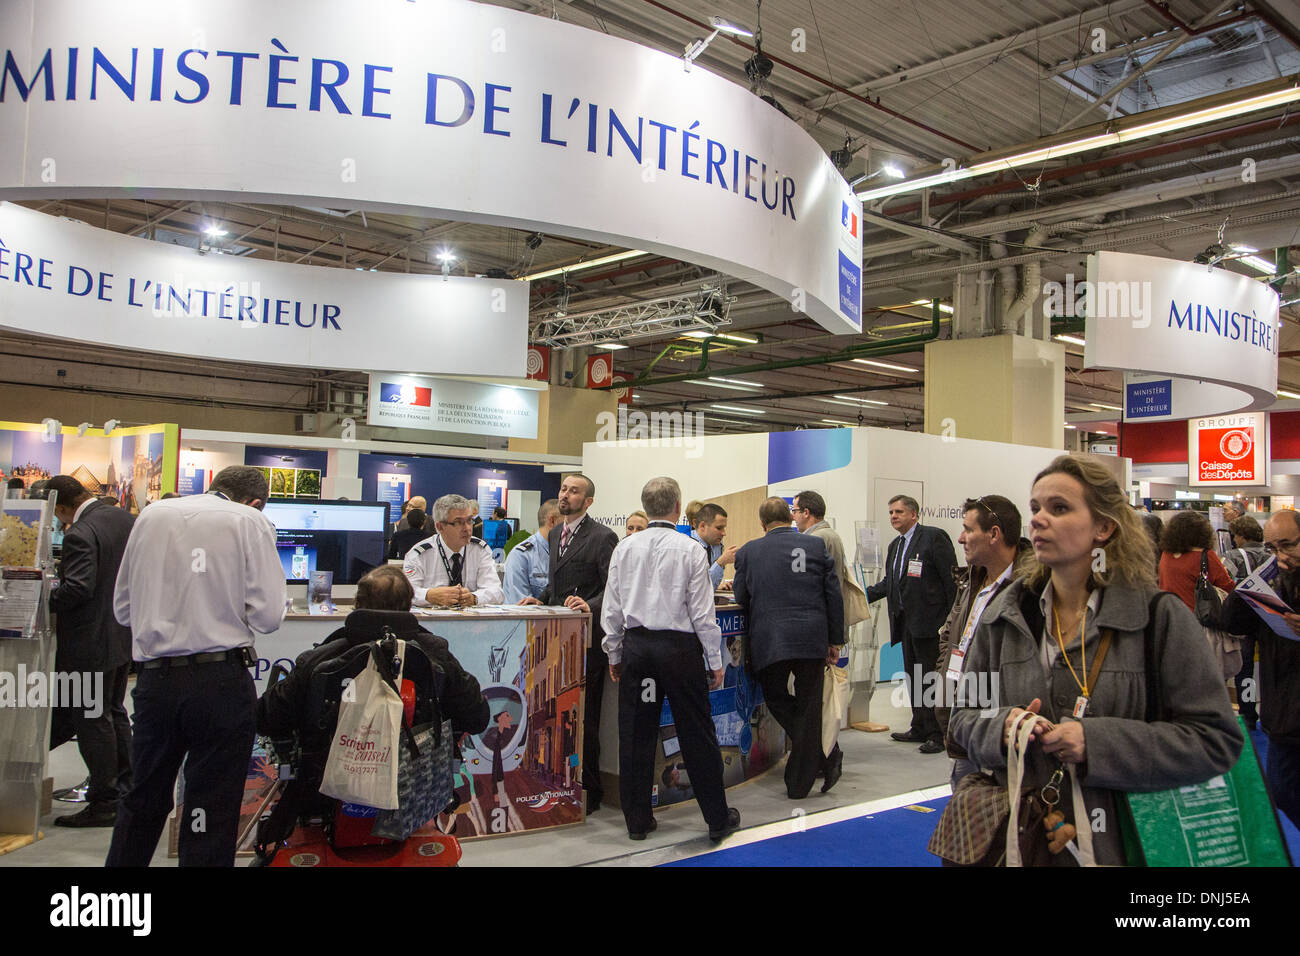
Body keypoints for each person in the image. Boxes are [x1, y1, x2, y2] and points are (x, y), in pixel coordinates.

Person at [948, 455, 1242, 866]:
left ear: (1104, 527)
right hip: (1024, 842)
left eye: (1059, 508)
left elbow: (1216, 741)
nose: (1038, 520)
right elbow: (961, 720)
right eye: (1035, 508)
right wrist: (1001, 727)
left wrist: (1096, 742)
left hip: (1121, 845)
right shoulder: (1005, 615)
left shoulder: (1158, 619)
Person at [107, 466, 288, 867]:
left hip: (156, 681)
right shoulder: (250, 522)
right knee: (211, 802)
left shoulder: (152, 515)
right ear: (255, 502)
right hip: (218, 681)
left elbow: (123, 610)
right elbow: (269, 617)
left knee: (142, 797)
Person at [256, 565, 489, 804]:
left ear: (357, 604)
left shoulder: (319, 660)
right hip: (413, 793)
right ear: (409, 606)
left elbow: (267, 717)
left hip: (325, 792)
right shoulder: (437, 657)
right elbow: (477, 717)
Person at [602, 476, 740, 842]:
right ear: (678, 507)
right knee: (696, 731)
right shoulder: (690, 550)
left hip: (638, 650)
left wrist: (614, 652)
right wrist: (714, 660)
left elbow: (612, 610)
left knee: (636, 733)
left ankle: (637, 821)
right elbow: (702, 613)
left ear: (646, 507)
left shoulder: (625, 548)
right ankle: (716, 817)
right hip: (679, 652)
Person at [733, 497, 844, 798]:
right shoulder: (815, 546)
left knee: (775, 697)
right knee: (809, 705)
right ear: (790, 517)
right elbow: (833, 595)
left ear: (762, 523)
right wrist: (835, 640)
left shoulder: (748, 552)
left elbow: (741, 596)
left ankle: (809, 775)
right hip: (812, 637)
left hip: (771, 638)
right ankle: (819, 762)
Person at [520, 474, 618, 811]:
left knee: (585, 720)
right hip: (558, 639)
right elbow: (557, 585)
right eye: (563, 489)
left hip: (589, 639)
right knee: (557, 719)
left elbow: (613, 589)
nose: (565, 495)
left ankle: (590, 791)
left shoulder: (603, 537)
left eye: (574, 491)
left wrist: (587, 605)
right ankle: (560, 785)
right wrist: (542, 599)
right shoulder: (556, 533)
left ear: (588, 501)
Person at [45, 475, 136, 827]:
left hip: (87, 644)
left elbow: (77, 589)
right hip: (119, 636)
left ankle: (104, 802)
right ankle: (125, 791)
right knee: (113, 713)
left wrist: (41, 597)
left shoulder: (80, 532)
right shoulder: (124, 519)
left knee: (91, 720)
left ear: (63, 507)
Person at [935, 495, 1031, 790]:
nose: (961, 538)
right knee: (965, 807)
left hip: (999, 722)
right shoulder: (972, 580)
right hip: (962, 713)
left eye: (968, 530)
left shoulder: (1030, 589)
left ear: (994, 535)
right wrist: (945, 678)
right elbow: (950, 633)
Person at [1220, 509, 1300, 827]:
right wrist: (1257, 579)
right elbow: (1230, 621)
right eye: (1273, 547)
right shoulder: (1274, 583)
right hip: (1281, 716)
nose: (1281, 556)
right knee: (1282, 792)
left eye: (1287, 545)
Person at [865, 494, 958, 753]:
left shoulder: (933, 537)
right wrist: (861, 594)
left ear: (914, 514)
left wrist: (952, 620)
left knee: (930, 679)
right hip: (905, 623)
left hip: (931, 624)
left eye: (899, 512)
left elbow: (951, 581)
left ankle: (938, 733)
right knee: (914, 678)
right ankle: (919, 726)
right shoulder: (896, 546)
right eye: (891, 513)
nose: (894, 516)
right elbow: (890, 583)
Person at [402, 494, 503, 607]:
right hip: (431, 622)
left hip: (471, 621)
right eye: (458, 522)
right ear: (440, 527)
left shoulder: (480, 550)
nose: (467, 528)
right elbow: (405, 594)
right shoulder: (419, 554)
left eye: (469, 521)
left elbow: (497, 592)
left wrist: (474, 598)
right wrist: (428, 595)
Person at [1221, 514, 1269, 731]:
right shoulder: (1272, 555)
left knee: (1246, 671)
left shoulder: (1233, 556)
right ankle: (1268, 712)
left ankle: (1248, 714)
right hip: (1270, 620)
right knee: (1269, 669)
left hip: (1245, 621)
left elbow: (1222, 584)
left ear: (1240, 536)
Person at [1157, 510, 1234, 611]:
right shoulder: (1205, 556)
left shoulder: (1166, 555)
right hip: (1196, 618)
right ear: (1204, 532)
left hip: (1169, 614)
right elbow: (1228, 588)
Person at [502, 498, 560, 603]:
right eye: (567, 522)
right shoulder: (521, 555)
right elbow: (521, 605)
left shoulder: (566, 553)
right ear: (552, 521)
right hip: (530, 618)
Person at [691, 503, 737, 590]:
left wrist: (719, 586)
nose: (724, 533)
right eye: (719, 528)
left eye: (724, 528)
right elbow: (700, 588)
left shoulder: (716, 545)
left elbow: (710, 585)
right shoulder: (688, 547)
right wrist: (721, 562)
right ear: (702, 526)